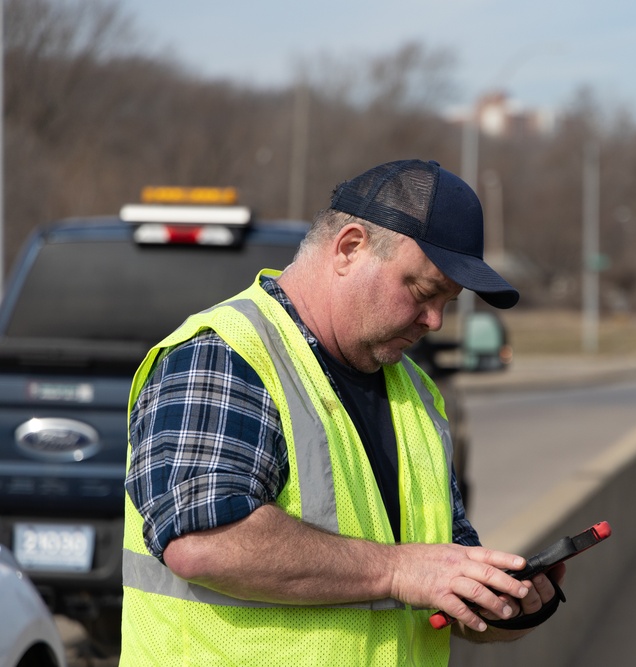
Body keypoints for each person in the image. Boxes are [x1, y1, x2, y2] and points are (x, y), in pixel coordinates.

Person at [119, 159, 566, 666]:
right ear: (350, 248)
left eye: (449, 301)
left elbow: (433, 577)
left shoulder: (416, 393)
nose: (435, 320)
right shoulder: (227, 353)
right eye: (422, 291)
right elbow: (201, 539)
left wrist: (501, 601)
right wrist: (399, 571)